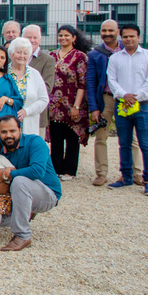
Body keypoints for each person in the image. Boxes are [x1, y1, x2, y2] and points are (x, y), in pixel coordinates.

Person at [0, 116, 61, 251]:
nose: (8, 135)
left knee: (19, 181)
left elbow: (38, 171)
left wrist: (7, 173)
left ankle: (22, 235)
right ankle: (25, 212)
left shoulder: (35, 142)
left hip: (46, 193)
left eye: (12, 131)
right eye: (4, 132)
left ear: (20, 130)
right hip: (13, 195)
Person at [86, 20, 143, 186]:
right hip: (107, 98)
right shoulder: (95, 54)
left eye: (111, 30)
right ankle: (101, 173)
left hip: (127, 99)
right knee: (101, 137)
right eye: (104, 30)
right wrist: (94, 108)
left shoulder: (129, 48)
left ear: (118, 31)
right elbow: (90, 82)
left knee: (130, 138)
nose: (107, 33)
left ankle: (136, 172)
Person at [106, 25, 148, 196]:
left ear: (139, 37)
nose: (129, 39)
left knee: (145, 144)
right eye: (126, 37)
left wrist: (135, 96)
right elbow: (112, 80)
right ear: (121, 38)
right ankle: (126, 176)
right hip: (122, 105)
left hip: (142, 106)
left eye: (132, 36)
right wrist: (124, 95)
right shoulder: (115, 58)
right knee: (124, 143)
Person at [47, 25, 90, 181]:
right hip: (54, 106)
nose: (63, 38)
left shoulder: (80, 57)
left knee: (72, 139)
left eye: (66, 35)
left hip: (73, 104)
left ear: (74, 38)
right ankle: (56, 168)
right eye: (60, 35)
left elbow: (82, 83)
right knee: (56, 139)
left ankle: (69, 170)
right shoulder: (52, 55)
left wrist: (77, 106)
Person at [5, 38, 48, 137]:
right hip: (6, 124)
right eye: (18, 52)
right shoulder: (4, 73)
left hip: (29, 124)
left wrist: (26, 111)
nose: (22, 56)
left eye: (25, 53)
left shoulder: (34, 74)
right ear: (11, 54)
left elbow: (44, 99)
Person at [22, 24, 55, 136]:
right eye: (28, 37)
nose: (32, 40)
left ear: (40, 39)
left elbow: (47, 88)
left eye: (35, 37)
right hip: (15, 111)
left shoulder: (48, 60)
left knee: (36, 147)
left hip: (37, 112)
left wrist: (23, 93)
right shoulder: (14, 57)